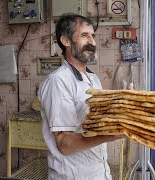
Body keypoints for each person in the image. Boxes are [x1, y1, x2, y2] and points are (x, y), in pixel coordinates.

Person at [38, 13, 124, 180]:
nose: (92, 42)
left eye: (93, 36)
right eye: (85, 35)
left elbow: (96, 122)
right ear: (66, 41)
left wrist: (124, 105)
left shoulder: (93, 79)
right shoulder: (58, 81)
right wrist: (107, 136)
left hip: (99, 173)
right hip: (73, 175)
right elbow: (64, 144)